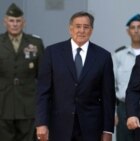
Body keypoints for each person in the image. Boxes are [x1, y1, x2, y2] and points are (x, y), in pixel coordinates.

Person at [35, 11, 116, 141]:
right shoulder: (52, 53)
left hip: (91, 127)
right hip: (59, 126)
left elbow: (108, 97)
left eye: (86, 27)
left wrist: (108, 130)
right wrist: (41, 123)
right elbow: (43, 92)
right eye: (78, 26)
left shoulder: (103, 56)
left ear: (91, 30)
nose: (81, 30)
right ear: (70, 29)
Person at [0, 3, 44, 141]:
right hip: (3, 104)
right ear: (5, 22)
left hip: (28, 105)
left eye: (18, 21)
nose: (14, 24)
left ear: (23, 23)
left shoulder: (35, 43)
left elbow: (43, 76)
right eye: (11, 20)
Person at [113, 13, 140, 141]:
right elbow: (111, 86)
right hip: (124, 108)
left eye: (139, 27)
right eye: (133, 27)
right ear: (128, 31)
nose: (136, 30)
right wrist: (113, 112)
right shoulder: (118, 55)